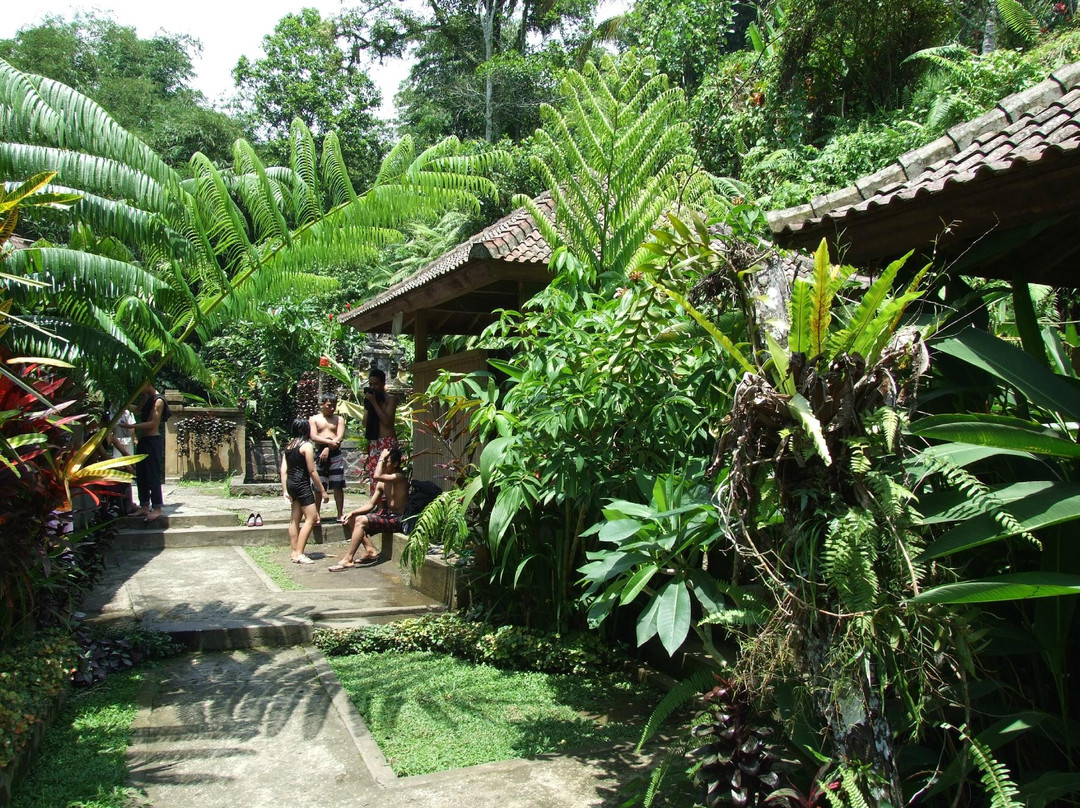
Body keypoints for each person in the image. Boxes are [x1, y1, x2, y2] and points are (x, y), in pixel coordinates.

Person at [329, 448, 406, 571]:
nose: (383, 463)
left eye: (387, 461)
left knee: (361, 520)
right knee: (353, 519)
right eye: (383, 461)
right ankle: (370, 550)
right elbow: (371, 504)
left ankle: (348, 559)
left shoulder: (399, 477)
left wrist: (381, 457)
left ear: (395, 464)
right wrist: (351, 513)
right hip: (388, 515)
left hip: (398, 519)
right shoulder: (382, 483)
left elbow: (376, 476)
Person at [280, 417, 329, 564]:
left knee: (295, 518)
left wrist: (285, 490)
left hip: (291, 484)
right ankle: (299, 554)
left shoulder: (288, 446)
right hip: (302, 484)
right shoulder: (306, 446)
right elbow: (312, 471)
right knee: (312, 518)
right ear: (306, 430)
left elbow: (283, 470)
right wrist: (323, 491)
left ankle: (294, 550)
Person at [124, 381, 169, 523]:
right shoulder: (147, 397)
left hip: (152, 441)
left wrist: (132, 426)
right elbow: (137, 410)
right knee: (141, 474)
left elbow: (153, 424)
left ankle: (157, 508)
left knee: (152, 474)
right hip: (144, 441)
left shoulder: (159, 401)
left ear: (148, 383)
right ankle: (144, 505)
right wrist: (122, 404)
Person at [309, 394, 346, 523]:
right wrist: (327, 443)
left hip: (335, 453)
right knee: (318, 485)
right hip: (319, 453)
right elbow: (313, 436)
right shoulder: (314, 419)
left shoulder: (339, 419)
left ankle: (340, 513)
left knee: (338, 484)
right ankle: (316, 515)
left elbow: (340, 436)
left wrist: (328, 447)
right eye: (329, 405)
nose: (332, 409)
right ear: (322, 404)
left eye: (334, 406)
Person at [363, 368, 398, 495]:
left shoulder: (391, 399)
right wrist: (369, 405)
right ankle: (379, 506)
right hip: (374, 442)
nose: (373, 387)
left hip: (387, 442)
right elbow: (364, 423)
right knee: (374, 474)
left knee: (387, 473)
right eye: (370, 384)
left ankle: (390, 504)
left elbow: (387, 421)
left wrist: (374, 403)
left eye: (376, 384)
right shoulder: (370, 401)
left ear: (383, 384)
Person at [105, 402, 136, 515]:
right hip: (101, 464)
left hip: (112, 460)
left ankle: (128, 504)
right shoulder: (99, 436)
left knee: (128, 473)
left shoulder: (112, 437)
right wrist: (123, 465)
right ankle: (120, 505)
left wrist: (132, 463)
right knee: (123, 472)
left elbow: (124, 452)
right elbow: (104, 456)